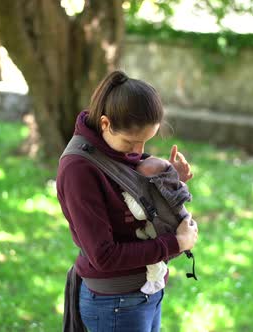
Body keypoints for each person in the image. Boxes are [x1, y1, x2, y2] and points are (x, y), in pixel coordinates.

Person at [57, 70, 198, 332]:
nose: (139, 152)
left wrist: (171, 184)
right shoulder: (79, 169)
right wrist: (175, 243)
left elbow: (132, 202)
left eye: (145, 142)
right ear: (105, 124)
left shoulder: (115, 148)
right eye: (131, 142)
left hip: (147, 293)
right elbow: (104, 256)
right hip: (116, 303)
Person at [122, 156, 192, 295]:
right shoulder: (171, 188)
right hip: (169, 226)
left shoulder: (152, 195)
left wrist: (127, 195)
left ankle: (155, 279)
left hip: (164, 231)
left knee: (152, 256)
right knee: (141, 235)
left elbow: (140, 214)